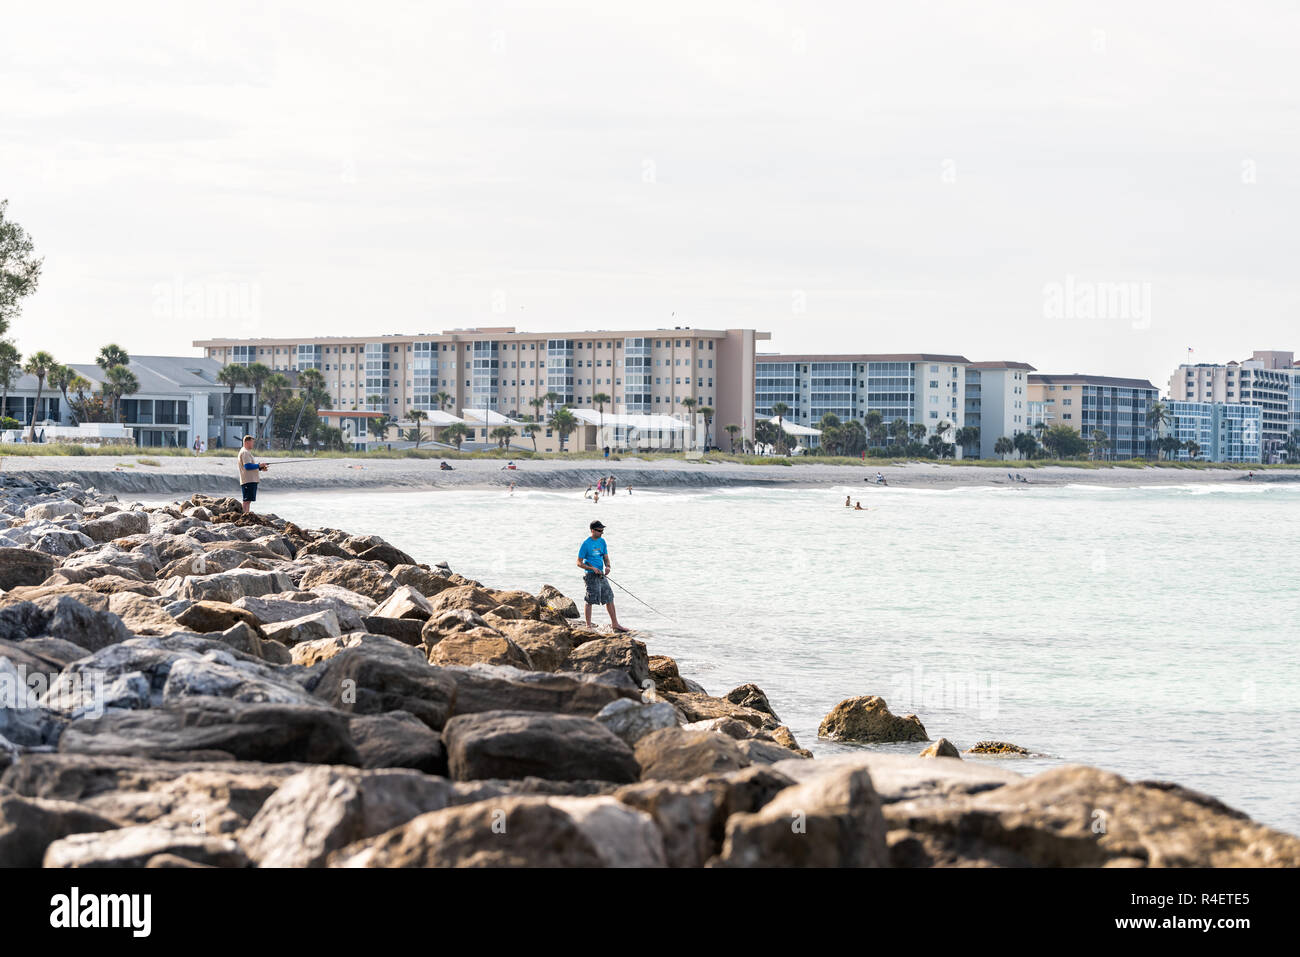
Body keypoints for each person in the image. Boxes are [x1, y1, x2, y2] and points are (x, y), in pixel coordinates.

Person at [576, 520, 629, 632]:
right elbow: (579, 563)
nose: (601, 532)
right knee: (590, 600)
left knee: (609, 597)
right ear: (592, 530)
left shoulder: (602, 541)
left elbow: (605, 556)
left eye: (602, 530)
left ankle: (615, 624)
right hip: (590, 576)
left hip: (601, 575)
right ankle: (588, 626)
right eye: (599, 530)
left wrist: (608, 566)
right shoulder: (586, 544)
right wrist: (591, 568)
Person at [237, 435, 268, 514]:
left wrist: (260, 468)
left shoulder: (246, 452)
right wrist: (259, 465)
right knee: (246, 500)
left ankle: (246, 514)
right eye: (252, 442)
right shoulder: (245, 452)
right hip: (248, 480)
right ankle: (244, 515)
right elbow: (247, 466)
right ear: (247, 442)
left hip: (250, 480)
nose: (253, 444)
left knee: (248, 500)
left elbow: (250, 466)